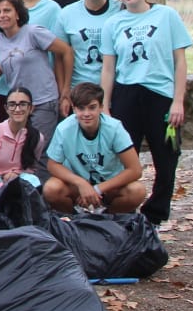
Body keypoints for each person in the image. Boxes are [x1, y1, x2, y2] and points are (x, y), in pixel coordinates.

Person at [101, 0, 192, 225]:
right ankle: (121, 209)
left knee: (166, 158)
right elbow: (108, 68)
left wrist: (178, 100)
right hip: (127, 93)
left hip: (160, 93)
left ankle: (155, 214)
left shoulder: (166, 16)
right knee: (121, 156)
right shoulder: (113, 23)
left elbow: (180, 61)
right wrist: (106, 106)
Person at [0, 0, 72, 166]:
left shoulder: (33, 32)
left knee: (40, 151)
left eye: (7, 10)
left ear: (17, 13)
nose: (2, 15)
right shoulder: (0, 39)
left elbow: (66, 51)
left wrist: (65, 90)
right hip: (19, 105)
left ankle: (41, 190)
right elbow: (1, 65)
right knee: (20, 150)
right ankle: (24, 189)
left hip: (43, 101)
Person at [43, 82, 147, 215]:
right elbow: (52, 165)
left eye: (92, 107)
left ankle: (109, 218)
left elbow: (135, 170)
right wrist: (81, 183)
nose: (86, 114)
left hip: (110, 186)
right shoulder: (64, 129)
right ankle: (74, 220)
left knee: (137, 191)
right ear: (74, 109)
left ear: (101, 107)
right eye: (81, 108)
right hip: (78, 187)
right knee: (51, 189)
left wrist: (97, 189)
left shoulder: (114, 128)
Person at [57, 0, 115, 88]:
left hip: (115, 88)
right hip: (79, 90)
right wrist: (64, 91)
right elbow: (60, 57)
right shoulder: (66, 14)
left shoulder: (120, 10)